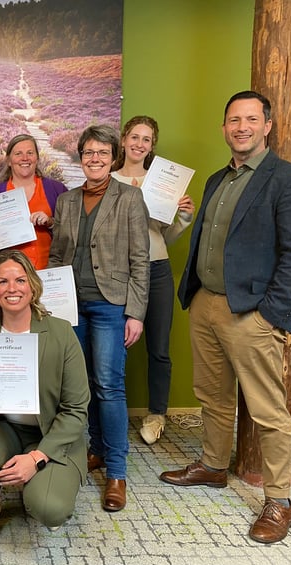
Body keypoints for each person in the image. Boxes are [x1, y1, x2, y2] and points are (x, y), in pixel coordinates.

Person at [159, 91, 291, 544]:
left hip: (252, 312)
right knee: (211, 394)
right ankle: (212, 466)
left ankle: (279, 500)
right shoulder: (217, 179)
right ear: (224, 127)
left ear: (267, 125)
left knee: (269, 410)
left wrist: (270, 314)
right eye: (233, 120)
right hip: (207, 303)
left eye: (251, 119)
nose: (241, 127)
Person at [0, 250, 89, 548]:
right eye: (2, 281)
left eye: (19, 280)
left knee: (49, 509)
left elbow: (77, 409)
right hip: (2, 428)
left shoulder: (61, 332)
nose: (12, 288)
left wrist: (36, 458)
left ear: (32, 285)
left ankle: (36, 483)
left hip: (52, 434)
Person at [48, 124, 150, 512]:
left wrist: (135, 313)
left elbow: (140, 260)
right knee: (81, 385)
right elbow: (58, 256)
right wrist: (53, 302)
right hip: (70, 306)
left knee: (109, 385)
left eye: (102, 153)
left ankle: (116, 471)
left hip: (111, 306)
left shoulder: (129, 199)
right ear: (80, 157)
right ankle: (92, 450)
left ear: (114, 158)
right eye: (88, 152)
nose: (95, 159)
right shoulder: (68, 201)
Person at [111, 116, 195, 445]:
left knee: (159, 348)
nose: (139, 143)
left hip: (157, 269)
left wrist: (184, 218)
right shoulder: (108, 178)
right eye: (135, 136)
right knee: (114, 346)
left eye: (147, 139)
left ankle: (156, 414)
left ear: (152, 145)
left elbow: (164, 237)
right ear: (123, 140)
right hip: (120, 273)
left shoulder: (163, 182)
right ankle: (109, 412)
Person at [0, 134, 68, 269]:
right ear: (9, 160)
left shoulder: (57, 190)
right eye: (18, 153)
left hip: (49, 272)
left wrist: (50, 222)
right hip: (9, 277)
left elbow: (71, 232)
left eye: (30, 153)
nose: (25, 158)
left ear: (37, 158)